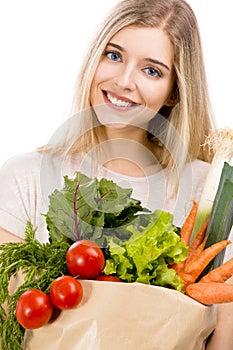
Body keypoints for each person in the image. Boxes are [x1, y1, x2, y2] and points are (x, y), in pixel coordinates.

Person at [0, 0, 232, 349]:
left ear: (175, 92)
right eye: (114, 55)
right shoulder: (26, 177)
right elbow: (7, 324)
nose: (124, 81)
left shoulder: (210, 191)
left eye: (151, 70)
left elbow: (221, 331)